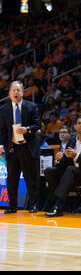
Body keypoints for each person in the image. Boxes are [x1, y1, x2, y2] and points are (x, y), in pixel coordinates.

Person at [44, 115, 81, 217]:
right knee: (49, 170)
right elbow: (66, 161)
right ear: (75, 126)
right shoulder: (71, 139)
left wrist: (77, 155)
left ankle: (58, 206)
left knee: (70, 169)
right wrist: (60, 159)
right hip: (71, 173)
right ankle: (56, 201)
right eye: (79, 123)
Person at [0, 81, 41, 213]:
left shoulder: (31, 106)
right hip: (12, 148)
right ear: (10, 93)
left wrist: (27, 129)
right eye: (13, 90)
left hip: (27, 147)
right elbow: (2, 130)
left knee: (30, 178)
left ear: (22, 93)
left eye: (18, 90)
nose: (16, 93)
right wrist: (1, 145)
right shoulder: (4, 109)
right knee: (12, 178)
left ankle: (34, 205)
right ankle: (12, 206)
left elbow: (37, 124)